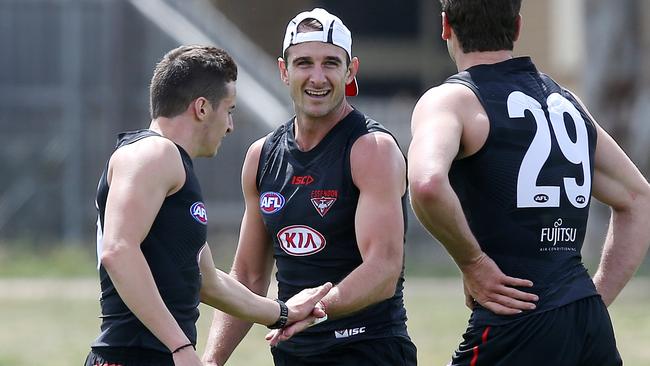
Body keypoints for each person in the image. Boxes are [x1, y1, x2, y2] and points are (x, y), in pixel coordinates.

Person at [408, 1, 650, 365]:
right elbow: (638, 197)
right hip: (588, 323)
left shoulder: (452, 100)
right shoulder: (567, 103)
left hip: (516, 320)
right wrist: (592, 299)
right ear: (517, 27)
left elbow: (426, 183)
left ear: (445, 26)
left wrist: (472, 262)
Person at [84, 45, 332, 366]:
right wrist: (180, 347)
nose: (230, 125)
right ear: (201, 108)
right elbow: (117, 250)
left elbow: (207, 280)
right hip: (130, 357)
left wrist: (283, 313)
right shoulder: (153, 155)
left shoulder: (173, 165)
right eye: (229, 110)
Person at [202, 8, 417, 366]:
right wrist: (211, 361)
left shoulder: (371, 149)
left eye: (331, 63)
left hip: (366, 350)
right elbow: (250, 274)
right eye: (304, 63)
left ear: (351, 71)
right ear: (284, 71)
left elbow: (383, 270)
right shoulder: (262, 155)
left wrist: (308, 311)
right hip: (293, 352)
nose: (318, 77)